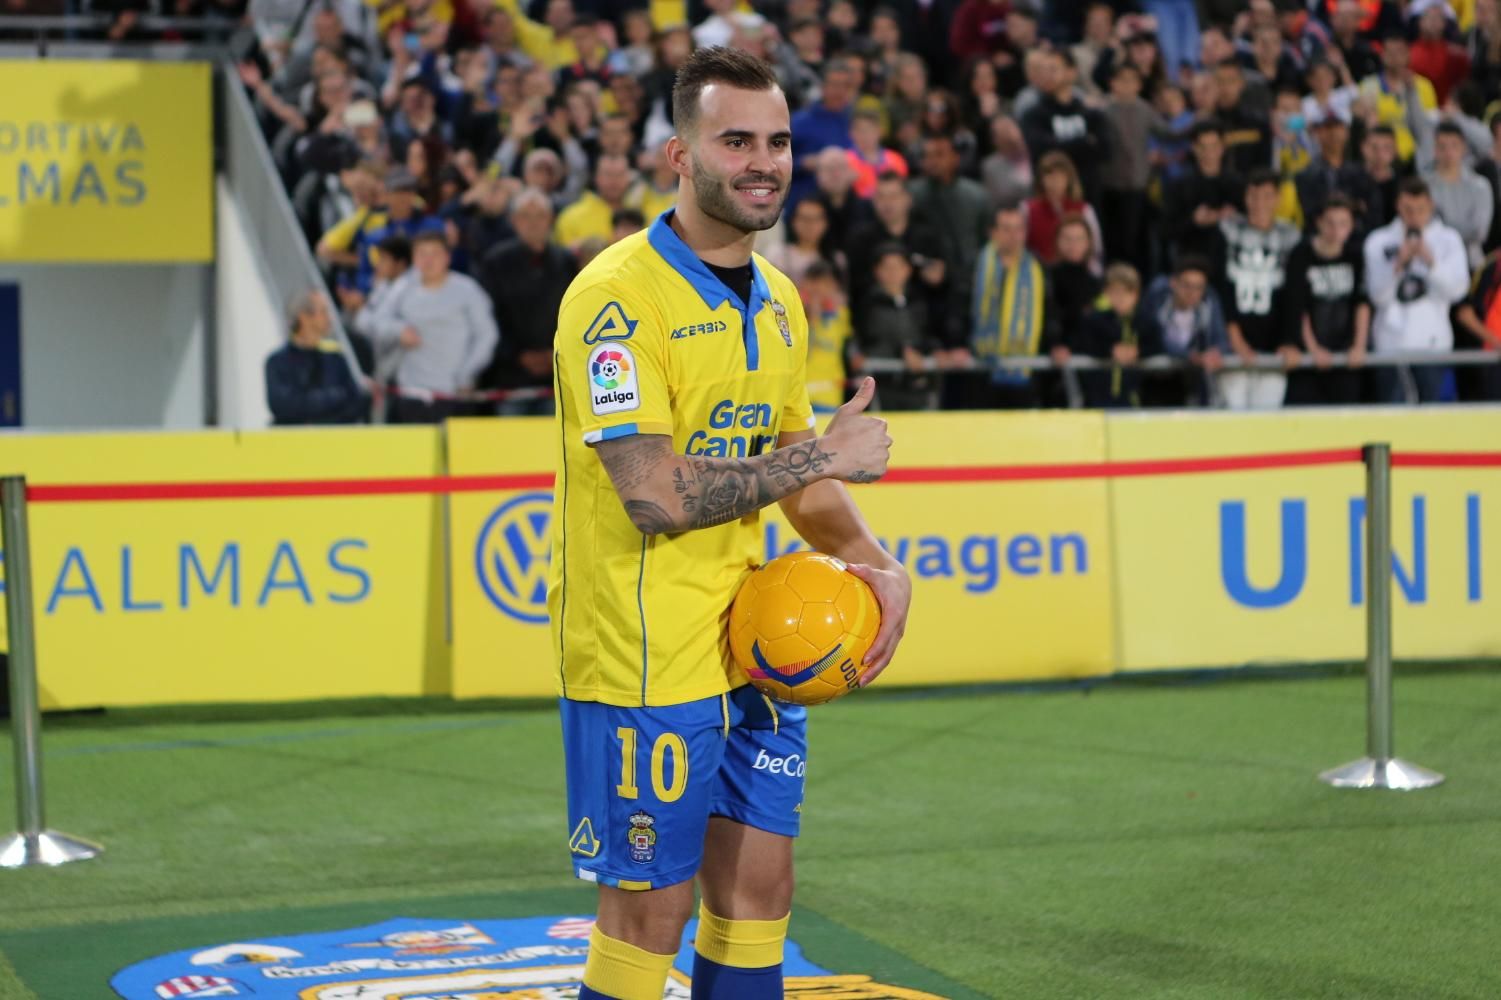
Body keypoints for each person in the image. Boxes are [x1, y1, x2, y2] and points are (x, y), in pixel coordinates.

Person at [547, 47, 909, 1000]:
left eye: (777, 142)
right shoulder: (614, 299)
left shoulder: (781, 301)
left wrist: (876, 563)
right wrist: (823, 455)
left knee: (759, 892)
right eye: (735, 141)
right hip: (642, 655)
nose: (763, 162)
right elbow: (655, 496)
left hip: (754, 642)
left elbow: (792, 476)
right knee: (649, 915)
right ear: (680, 155)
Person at [373, 231, 499, 422]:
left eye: (435, 254)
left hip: (454, 393)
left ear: (447, 257)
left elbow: (487, 335)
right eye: (422, 254)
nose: (428, 260)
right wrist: (398, 330)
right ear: (414, 258)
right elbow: (376, 321)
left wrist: (467, 373)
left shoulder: (467, 290)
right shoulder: (402, 288)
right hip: (411, 392)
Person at [1363, 177, 1470, 402]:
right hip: (1390, 347)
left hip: (1434, 346)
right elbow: (1378, 296)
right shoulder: (1378, 241)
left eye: (1420, 209)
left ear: (1430, 205)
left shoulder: (1449, 240)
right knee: (1393, 416)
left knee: (1434, 416)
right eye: (1407, 209)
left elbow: (1458, 291)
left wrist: (1431, 263)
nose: (1413, 216)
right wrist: (1398, 265)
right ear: (1398, 206)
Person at [478, 188, 577, 415]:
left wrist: (554, 352)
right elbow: (489, 316)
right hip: (510, 378)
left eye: (540, 215)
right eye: (525, 216)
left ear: (551, 219)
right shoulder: (495, 262)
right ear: (513, 220)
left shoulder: (566, 261)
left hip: (557, 374)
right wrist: (516, 355)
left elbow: (574, 312)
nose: (533, 223)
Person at [1217, 168, 1303, 409]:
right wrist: (1234, 338)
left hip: (1273, 349)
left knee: (1267, 418)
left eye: (1267, 196)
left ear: (1277, 199)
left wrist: (1289, 341)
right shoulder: (1228, 231)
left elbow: (1295, 295)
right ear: (1245, 197)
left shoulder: (1290, 237)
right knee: (1231, 417)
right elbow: (1221, 289)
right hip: (1232, 350)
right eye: (1253, 196)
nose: (1259, 203)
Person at [962, 202, 1056, 409]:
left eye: (1018, 229)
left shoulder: (1037, 268)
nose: (1013, 236)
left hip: (1025, 372)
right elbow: (959, 308)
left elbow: (1050, 313)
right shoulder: (975, 265)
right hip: (979, 370)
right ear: (993, 232)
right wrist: (957, 344)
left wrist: (1056, 343)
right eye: (1006, 229)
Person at [1283, 195, 1371, 405]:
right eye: (1330, 223)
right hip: (1308, 361)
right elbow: (1298, 307)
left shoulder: (1355, 256)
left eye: (1343, 224)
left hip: (1346, 359)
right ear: (1319, 223)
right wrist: (1313, 349)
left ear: (1351, 226)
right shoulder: (1301, 255)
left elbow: (1362, 304)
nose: (1336, 231)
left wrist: (1359, 346)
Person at [1135, 255, 1230, 406]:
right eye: (1187, 285)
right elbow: (1155, 340)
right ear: (1174, 283)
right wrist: (1190, 356)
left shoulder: (1209, 303)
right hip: (1156, 381)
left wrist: (1215, 352)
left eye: (1198, 287)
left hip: (1194, 385)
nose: (1192, 292)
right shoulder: (1158, 299)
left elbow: (1220, 339)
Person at [265, 290, 369, 425]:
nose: (330, 318)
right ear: (304, 317)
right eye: (323, 312)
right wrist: (332, 398)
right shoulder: (277, 362)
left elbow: (355, 402)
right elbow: (282, 406)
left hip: (331, 437)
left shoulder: (335, 358)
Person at [1062, 262, 1158, 408]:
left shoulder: (1146, 321)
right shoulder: (1094, 320)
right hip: (1097, 399)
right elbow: (1083, 344)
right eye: (1115, 292)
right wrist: (1110, 351)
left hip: (1135, 400)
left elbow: (1157, 346)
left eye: (1126, 292)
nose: (1121, 298)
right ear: (1106, 292)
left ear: (1136, 294)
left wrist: (1138, 352)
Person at [858, 243, 936, 411]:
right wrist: (902, 351)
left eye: (898, 267)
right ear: (876, 271)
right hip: (883, 385)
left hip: (917, 384)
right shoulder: (867, 304)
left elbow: (928, 336)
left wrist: (928, 352)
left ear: (908, 270)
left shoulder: (919, 301)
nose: (893, 272)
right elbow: (867, 342)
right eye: (887, 267)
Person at [1423, 121, 1494, 269]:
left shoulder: (1481, 185)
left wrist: (1444, 227)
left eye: (1454, 146)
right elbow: (1425, 227)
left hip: (1472, 262)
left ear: (1463, 148)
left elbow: (1479, 232)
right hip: (1434, 259)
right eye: (1442, 147)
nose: (1448, 152)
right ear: (1435, 149)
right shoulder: (1425, 186)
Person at [798, 260, 855, 414]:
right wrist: (812, 319)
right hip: (800, 397)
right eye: (814, 283)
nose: (819, 289)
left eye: (826, 284)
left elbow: (847, 344)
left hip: (830, 396)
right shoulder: (793, 314)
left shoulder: (841, 315)